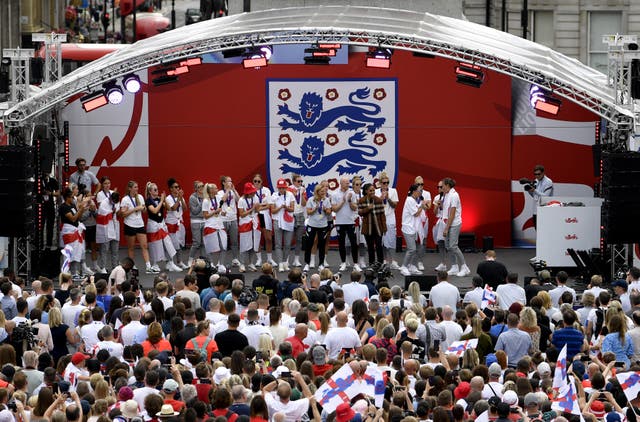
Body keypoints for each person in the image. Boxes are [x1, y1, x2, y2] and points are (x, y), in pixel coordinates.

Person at [145, 182, 180, 273]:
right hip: (153, 225)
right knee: (155, 245)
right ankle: (155, 264)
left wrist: (164, 200)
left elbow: (169, 208)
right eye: (155, 190)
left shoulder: (160, 199)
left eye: (157, 189)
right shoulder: (148, 201)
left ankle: (170, 263)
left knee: (168, 243)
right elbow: (155, 211)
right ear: (150, 191)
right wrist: (161, 201)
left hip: (162, 224)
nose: (157, 191)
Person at [120, 181, 153, 273]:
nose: (137, 189)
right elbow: (123, 214)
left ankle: (148, 266)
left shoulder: (140, 197)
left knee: (144, 246)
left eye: (137, 187)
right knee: (131, 247)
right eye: (135, 187)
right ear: (130, 188)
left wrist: (143, 208)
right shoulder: (125, 199)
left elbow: (145, 211)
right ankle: (131, 266)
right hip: (129, 225)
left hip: (140, 225)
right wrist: (135, 208)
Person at [441, 178, 470, 277]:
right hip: (448, 223)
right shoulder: (447, 195)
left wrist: (446, 228)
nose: (441, 188)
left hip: (454, 224)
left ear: (448, 185)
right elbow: (446, 210)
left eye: (443, 186)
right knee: (448, 246)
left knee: (453, 246)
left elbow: (452, 214)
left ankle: (464, 267)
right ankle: (454, 267)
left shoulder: (454, 195)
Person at [59, 186, 90, 276]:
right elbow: (72, 218)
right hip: (68, 232)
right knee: (68, 253)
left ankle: (73, 272)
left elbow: (78, 217)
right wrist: (80, 210)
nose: (74, 198)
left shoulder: (72, 205)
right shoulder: (63, 207)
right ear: (67, 197)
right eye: (72, 197)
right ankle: (65, 274)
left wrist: (82, 210)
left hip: (76, 231)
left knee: (76, 252)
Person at [400, 183, 429, 276]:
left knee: (418, 248)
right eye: (420, 191)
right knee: (412, 249)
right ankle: (404, 267)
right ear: (414, 191)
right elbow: (416, 214)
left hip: (416, 228)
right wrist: (422, 205)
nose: (421, 192)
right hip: (408, 228)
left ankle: (412, 266)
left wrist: (423, 205)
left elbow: (422, 212)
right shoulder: (409, 200)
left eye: (421, 190)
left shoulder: (416, 200)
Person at [303, 184, 332, 272]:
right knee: (309, 244)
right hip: (312, 224)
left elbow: (329, 212)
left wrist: (325, 209)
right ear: (317, 192)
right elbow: (308, 212)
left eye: (324, 191)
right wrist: (315, 209)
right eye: (322, 191)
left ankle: (321, 264)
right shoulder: (311, 200)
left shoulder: (326, 200)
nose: (324, 193)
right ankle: (307, 263)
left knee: (322, 245)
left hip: (323, 225)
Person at [375, 172, 400, 269]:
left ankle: (393, 260)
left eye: (387, 183)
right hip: (380, 218)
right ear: (380, 183)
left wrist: (388, 198)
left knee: (391, 239)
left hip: (390, 218)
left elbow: (395, 205)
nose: (386, 185)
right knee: (381, 240)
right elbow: (375, 205)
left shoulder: (393, 191)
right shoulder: (376, 192)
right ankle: (384, 260)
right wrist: (381, 198)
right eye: (384, 183)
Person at [357, 182, 386, 266]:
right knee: (370, 247)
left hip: (378, 227)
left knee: (379, 246)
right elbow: (360, 213)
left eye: (373, 190)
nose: (373, 192)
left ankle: (380, 264)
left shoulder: (378, 200)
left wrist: (384, 228)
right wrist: (368, 208)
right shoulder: (362, 200)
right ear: (366, 191)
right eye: (370, 190)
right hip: (367, 228)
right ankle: (371, 265)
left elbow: (382, 215)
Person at [270, 178, 295, 273]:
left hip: (288, 221)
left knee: (288, 244)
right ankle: (280, 263)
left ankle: (285, 262)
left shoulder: (290, 195)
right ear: (277, 188)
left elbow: (292, 209)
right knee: (278, 244)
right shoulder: (274, 196)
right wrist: (280, 207)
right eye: (280, 188)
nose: (282, 190)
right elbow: (272, 210)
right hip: (277, 221)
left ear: (286, 187)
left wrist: (286, 207)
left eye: (283, 188)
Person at [165, 178, 189, 270]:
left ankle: (179, 262)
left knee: (179, 243)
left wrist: (181, 199)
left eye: (178, 187)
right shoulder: (168, 198)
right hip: (171, 223)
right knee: (171, 244)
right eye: (175, 187)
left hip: (179, 222)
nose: (177, 188)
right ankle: (170, 262)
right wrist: (179, 198)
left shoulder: (180, 197)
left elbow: (185, 208)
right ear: (171, 189)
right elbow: (173, 208)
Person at [202, 183, 228, 268]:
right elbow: (205, 216)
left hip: (220, 225)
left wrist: (223, 212)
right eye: (216, 188)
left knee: (223, 246)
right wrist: (215, 211)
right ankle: (211, 264)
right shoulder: (206, 201)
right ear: (211, 190)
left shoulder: (218, 198)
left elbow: (224, 199)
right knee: (210, 247)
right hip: (210, 225)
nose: (217, 190)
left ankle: (220, 264)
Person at [238, 182, 261, 273]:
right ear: (247, 192)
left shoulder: (255, 198)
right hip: (245, 223)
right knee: (244, 244)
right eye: (252, 192)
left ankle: (251, 263)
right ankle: (242, 263)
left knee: (254, 243)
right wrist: (252, 209)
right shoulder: (241, 200)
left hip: (254, 222)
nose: (254, 193)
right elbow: (242, 214)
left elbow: (258, 211)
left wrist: (257, 208)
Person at [252, 174, 274, 267]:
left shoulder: (266, 190)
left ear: (262, 182)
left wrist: (259, 207)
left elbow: (269, 204)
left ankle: (269, 259)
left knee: (268, 238)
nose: (256, 183)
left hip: (264, 215)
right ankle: (259, 259)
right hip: (255, 216)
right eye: (255, 181)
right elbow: (251, 206)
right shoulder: (251, 191)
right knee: (257, 238)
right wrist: (262, 206)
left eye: (258, 181)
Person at [95, 190, 120, 272]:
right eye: (113, 201)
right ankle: (103, 267)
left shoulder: (117, 202)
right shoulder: (104, 203)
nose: (114, 203)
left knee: (115, 249)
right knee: (104, 249)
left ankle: (115, 267)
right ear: (110, 198)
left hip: (115, 226)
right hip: (106, 227)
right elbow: (101, 215)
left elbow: (118, 212)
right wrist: (111, 212)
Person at [525, 164, 553, 229]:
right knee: (537, 230)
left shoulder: (548, 182)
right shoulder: (536, 181)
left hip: (545, 210)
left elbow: (546, 196)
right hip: (536, 210)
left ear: (543, 173)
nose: (537, 176)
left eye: (539, 174)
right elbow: (534, 196)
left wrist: (534, 190)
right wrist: (529, 191)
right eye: (535, 174)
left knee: (544, 230)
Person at [290, 174, 307, 267]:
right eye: (298, 181)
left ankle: (296, 259)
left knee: (299, 239)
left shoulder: (302, 190)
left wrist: (301, 194)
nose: (300, 183)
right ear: (293, 182)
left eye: (301, 181)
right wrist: (294, 193)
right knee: (289, 238)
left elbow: (304, 204)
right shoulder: (289, 189)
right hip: (291, 215)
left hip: (300, 214)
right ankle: (286, 260)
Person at [40, 170, 60, 250]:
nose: (46, 173)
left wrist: (51, 193)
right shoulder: (39, 180)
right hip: (40, 205)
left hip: (50, 205)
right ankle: (40, 244)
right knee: (40, 226)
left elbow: (58, 193)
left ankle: (49, 244)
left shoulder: (53, 181)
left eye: (47, 171)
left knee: (50, 225)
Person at [188, 180, 206, 265]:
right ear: (196, 189)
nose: (202, 188)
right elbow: (195, 211)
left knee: (203, 242)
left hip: (204, 220)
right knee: (197, 242)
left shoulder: (206, 196)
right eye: (199, 186)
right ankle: (190, 259)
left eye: (202, 185)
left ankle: (203, 260)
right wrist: (202, 202)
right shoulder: (192, 198)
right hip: (195, 221)